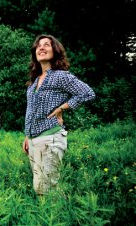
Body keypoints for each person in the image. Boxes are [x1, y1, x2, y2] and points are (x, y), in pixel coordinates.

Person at [22, 34, 96, 196]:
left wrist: (62, 108)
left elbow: (87, 93)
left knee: (48, 187)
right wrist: (27, 135)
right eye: (39, 46)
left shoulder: (60, 76)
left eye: (46, 45)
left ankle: (58, 215)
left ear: (55, 51)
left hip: (51, 138)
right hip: (34, 140)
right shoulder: (34, 81)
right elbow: (31, 111)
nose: (41, 48)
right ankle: (48, 216)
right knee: (39, 186)